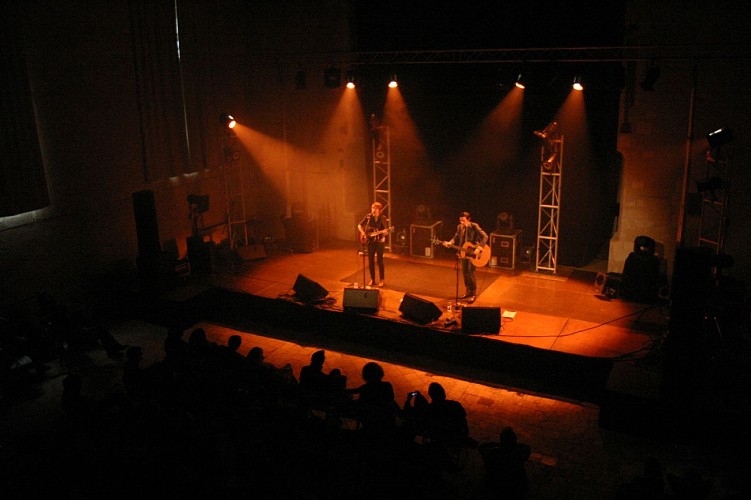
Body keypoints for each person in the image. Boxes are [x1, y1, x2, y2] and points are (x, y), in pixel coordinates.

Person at [441, 211, 488, 303]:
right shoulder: (459, 227)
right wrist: (450, 243)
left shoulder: (474, 226)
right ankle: (468, 292)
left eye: (463, 220)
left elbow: (485, 236)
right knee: (465, 273)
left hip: (473, 253)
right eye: (460, 221)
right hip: (463, 253)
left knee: (470, 273)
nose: (461, 222)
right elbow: (456, 237)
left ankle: (473, 294)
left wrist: (479, 247)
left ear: (468, 219)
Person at [357, 202, 389, 287]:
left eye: (375, 208)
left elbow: (385, 230)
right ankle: (372, 279)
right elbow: (359, 225)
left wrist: (385, 232)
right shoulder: (368, 217)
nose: (373, 210)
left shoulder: (383, 218)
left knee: (379, 260)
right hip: (370, 241)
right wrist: (363, 233)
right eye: (372, 208)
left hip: (380, 241)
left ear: (379, 210)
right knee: (370, 261)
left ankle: (382, 280)